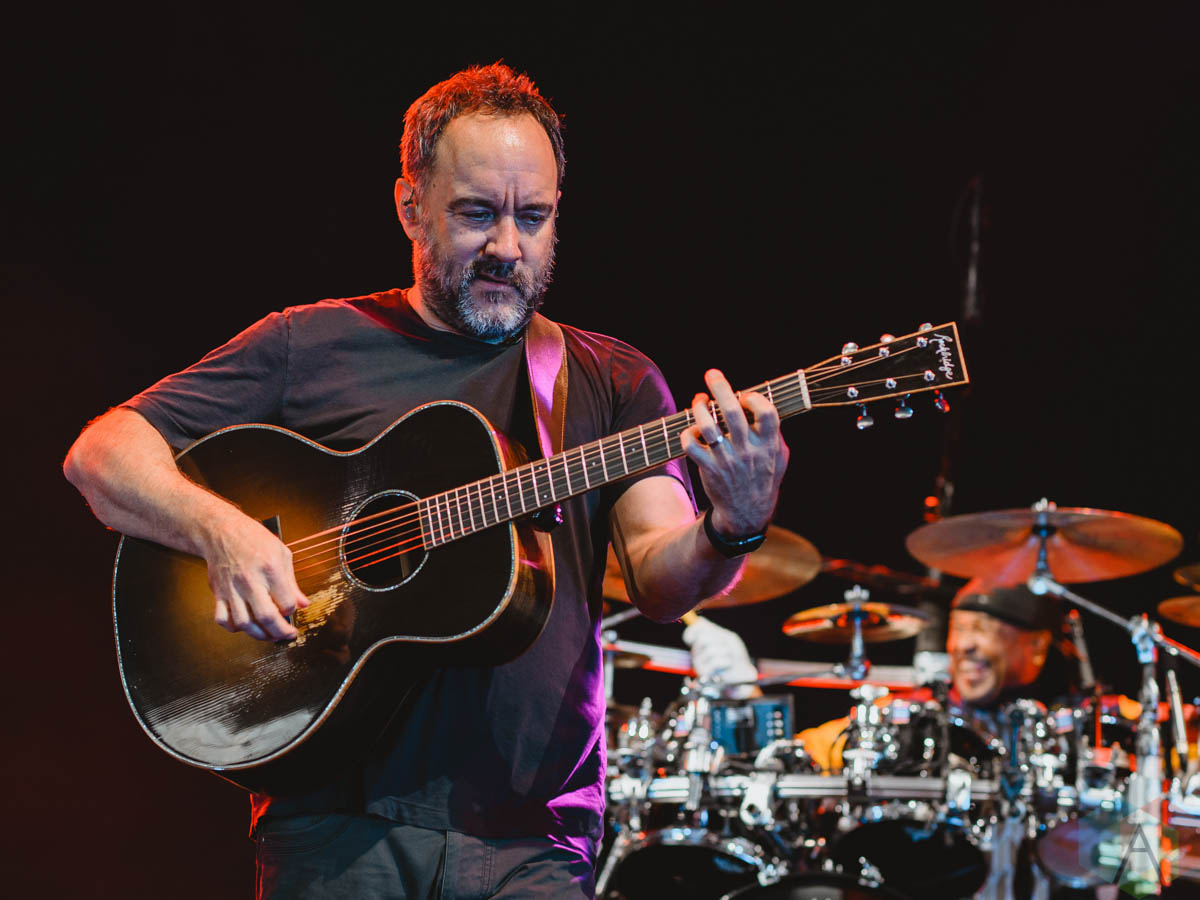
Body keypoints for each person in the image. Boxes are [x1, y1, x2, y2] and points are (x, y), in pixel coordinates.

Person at [62, 63, 789, 899]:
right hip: (335, 823)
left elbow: (661, 579)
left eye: (534, 217)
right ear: (411, 207)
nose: (508, 247)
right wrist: (220, 531)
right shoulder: (313, 343)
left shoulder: (613, 379)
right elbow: (101, 455)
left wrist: (732, 525)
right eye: (477, 213)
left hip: (536, 835)